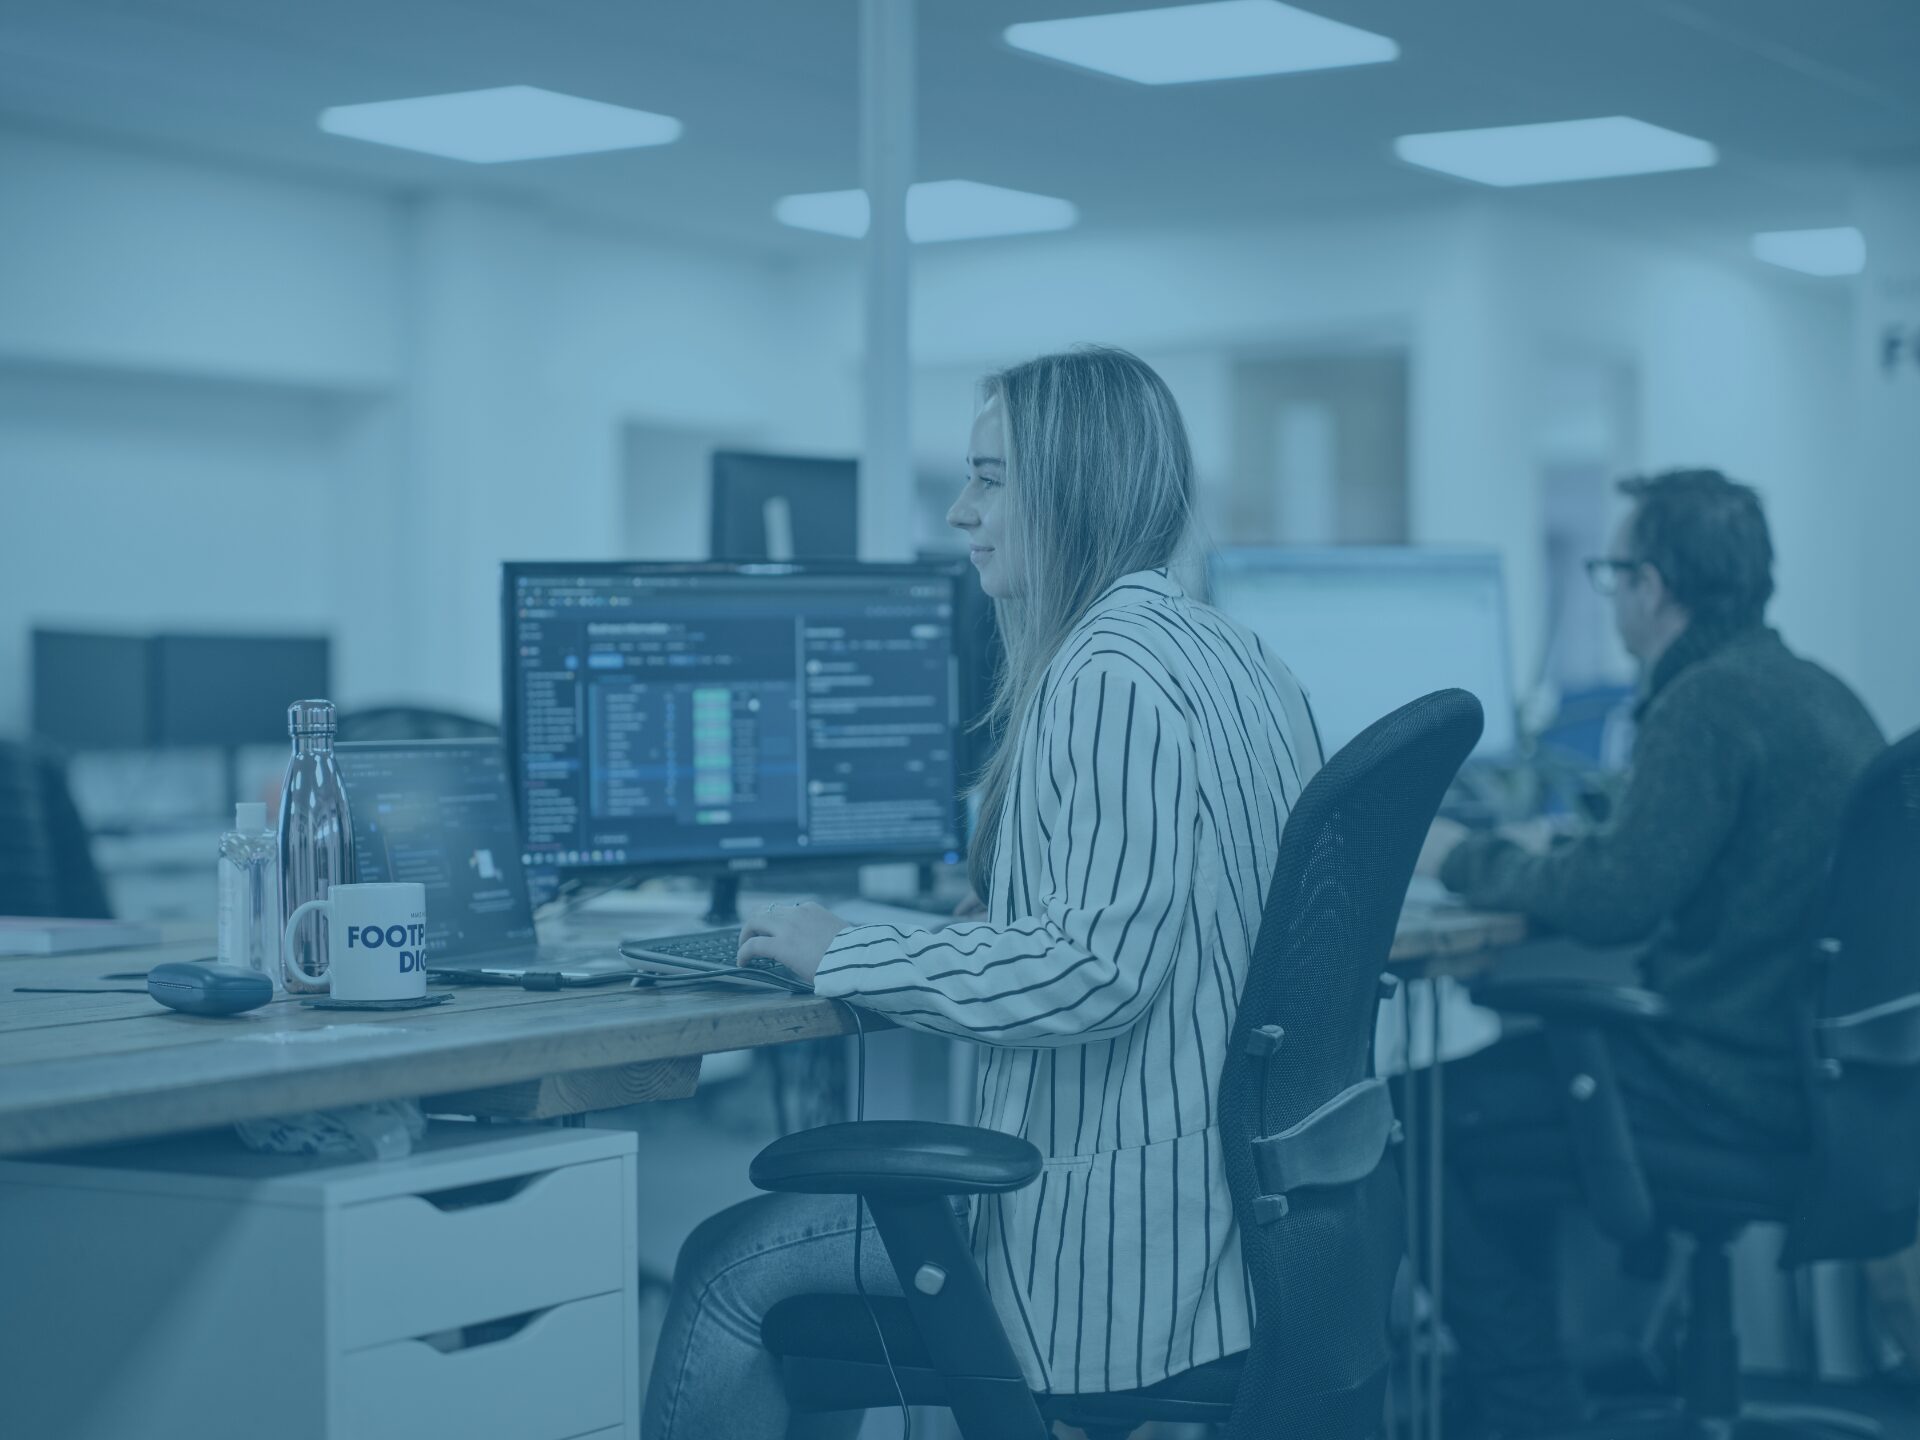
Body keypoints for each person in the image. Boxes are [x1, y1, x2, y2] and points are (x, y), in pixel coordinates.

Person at [641, 346, 1321, 1439]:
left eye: (990, 477)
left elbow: (1094, 975)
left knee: (723, 1265)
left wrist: (843, 950)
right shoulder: (1237, 656)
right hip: (1243, 1229)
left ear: (1074, 486)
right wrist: (1003, 931)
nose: (960, 511)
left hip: (1108, 1250)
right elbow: (1164, 919)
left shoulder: (1105, 674)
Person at [1418, 468, 1885, 1435]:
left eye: (1613, 572)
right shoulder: (1816, 691)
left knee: (1416, 1124)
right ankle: (1548, 1386)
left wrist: (1462, 854)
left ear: (1653, 585)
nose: (1614, 593)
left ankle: (1533, 1413)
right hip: (1818, 1095)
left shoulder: (1705, 705)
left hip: (1717, 1090)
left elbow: (1612, 898)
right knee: (1500, 1120)